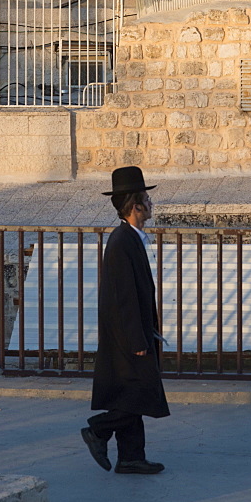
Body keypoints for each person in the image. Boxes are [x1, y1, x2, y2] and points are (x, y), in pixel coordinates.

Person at [81, 166, 169, 474]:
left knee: (132, 392)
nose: (151, 204)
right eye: (146, 198)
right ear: (135, 206)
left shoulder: (129, 239)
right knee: (138, 392)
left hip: (132, 333)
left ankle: (131, 456)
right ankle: (99, 430)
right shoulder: (121, 243)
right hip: (127, 337)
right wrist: (137, 340)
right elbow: (123, 297)